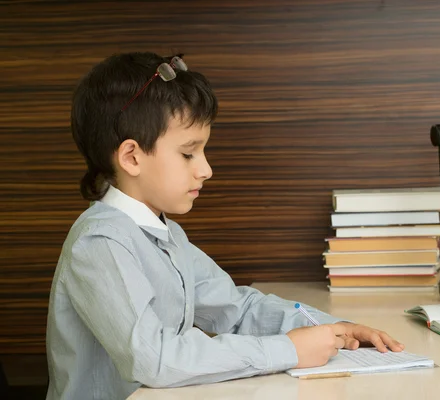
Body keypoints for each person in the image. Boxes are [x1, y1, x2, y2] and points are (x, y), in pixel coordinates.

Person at [45, 52, 404, 400]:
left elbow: (236, 308)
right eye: (189, 153)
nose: (205, 169)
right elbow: (155, 359)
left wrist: (333, 329)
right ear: (132, 157)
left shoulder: (162, 231)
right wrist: (287, 349)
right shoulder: (100, 242)